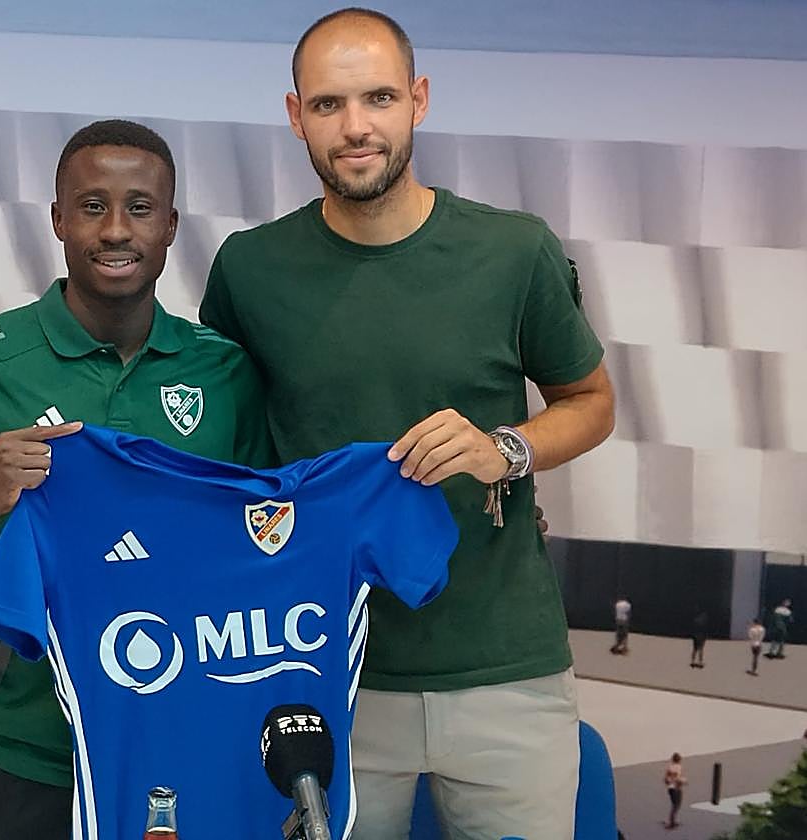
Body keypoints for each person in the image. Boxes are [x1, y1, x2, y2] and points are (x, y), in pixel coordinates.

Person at [199, 8, 615, 838]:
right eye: (328, 105)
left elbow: (592, 403)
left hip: (507, 671)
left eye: (379, 97)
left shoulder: (514, 251)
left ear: (418, 100)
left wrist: (508, 449)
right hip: (322, 675)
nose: (356, 127)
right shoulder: (249, 268)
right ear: (295, 116)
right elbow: (222, 453)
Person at [0, 120, 274, 839]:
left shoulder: (227, 374)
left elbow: (261, 554)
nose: (116, 229)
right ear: (58, 218)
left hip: (180, 751)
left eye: (140, 208)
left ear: (171, 224)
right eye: (92, 206)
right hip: (21, 756)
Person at [663, 753, 686, 829]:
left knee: (674, 804)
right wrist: (683, 781)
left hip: (670, 788)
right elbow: (678, 778)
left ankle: (673, 821)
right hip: (676, 788)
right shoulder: (679, 767)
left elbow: (666, 779)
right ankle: (671, 822)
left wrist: (669, 782)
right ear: (679, 760)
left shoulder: (669, 767)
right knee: (677, 805)